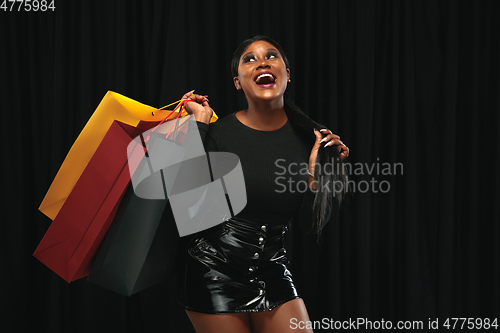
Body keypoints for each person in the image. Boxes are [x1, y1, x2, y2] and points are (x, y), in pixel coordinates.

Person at [177, 36, 349, 333]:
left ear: (287, 74)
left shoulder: (312, 140)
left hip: (272, 269)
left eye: (271, 56)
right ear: (237, 82)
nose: (263, 62)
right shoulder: (219, 134)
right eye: (250, 59)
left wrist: (314, 175)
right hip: (214, 268)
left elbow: (309, 226)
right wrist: (200, 124)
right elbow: (190, 212)